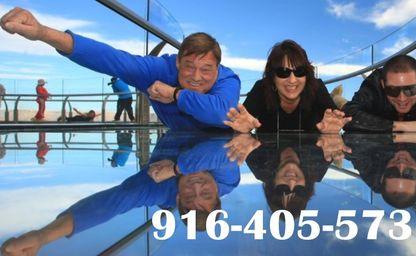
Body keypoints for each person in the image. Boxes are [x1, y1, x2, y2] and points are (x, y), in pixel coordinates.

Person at [0, 131, 240, 255]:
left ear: (178, 198)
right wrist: (177, 168)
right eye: (206, 195)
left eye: (189, 197)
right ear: (218, 192)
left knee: (134, 194)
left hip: (176, 135)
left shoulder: (160, 189)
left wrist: (42, 237)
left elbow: (110, 204)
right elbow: (222, 148)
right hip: (196, 116)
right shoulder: (228, 179)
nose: (197, 186)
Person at [1, 7, 240, 130]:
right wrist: (42, 33)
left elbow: (220, 114)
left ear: (218, 69)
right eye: (189, 66)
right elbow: (109, 58)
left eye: (206, 69)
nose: (196, 77)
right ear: (177, 62)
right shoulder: (157, 71)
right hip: (173, 150)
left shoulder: (228, 80)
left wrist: (175, 94)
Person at [224, 40, 351, 133]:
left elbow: (336, 121)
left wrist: (332, 133)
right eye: (283, 72)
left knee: (339, 102)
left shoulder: (316, 87)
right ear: (272, 76)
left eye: (300, 72)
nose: (292, 80)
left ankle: (336, 97)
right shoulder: (261, 89)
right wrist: (240, 131)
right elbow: (242, 122)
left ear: (307, 75)